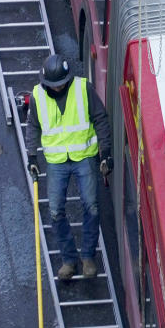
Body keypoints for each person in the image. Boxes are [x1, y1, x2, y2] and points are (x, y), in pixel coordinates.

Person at [26, 53, 113, 282]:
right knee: (55, 211)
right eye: (52, 86)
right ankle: (68, 260)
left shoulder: (83, 89)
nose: (57, 89)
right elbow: (33, 126)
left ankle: (87, 257)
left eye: (60, 85)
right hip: (56, 162)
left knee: (91, 207)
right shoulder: (37, 96)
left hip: (84, 157)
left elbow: (101, 119)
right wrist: (32, 156)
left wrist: (106, 153)